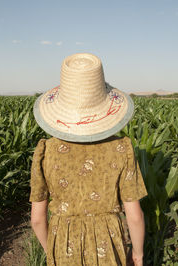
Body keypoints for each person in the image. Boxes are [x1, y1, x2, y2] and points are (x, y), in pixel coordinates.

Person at [29, 53, 148, 266]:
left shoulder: (45, 151)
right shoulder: (122, 149)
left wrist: (52, 251)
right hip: (109, 245)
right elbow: (135, 216)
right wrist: (137, 255)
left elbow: (37, 219)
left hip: (62, 244)